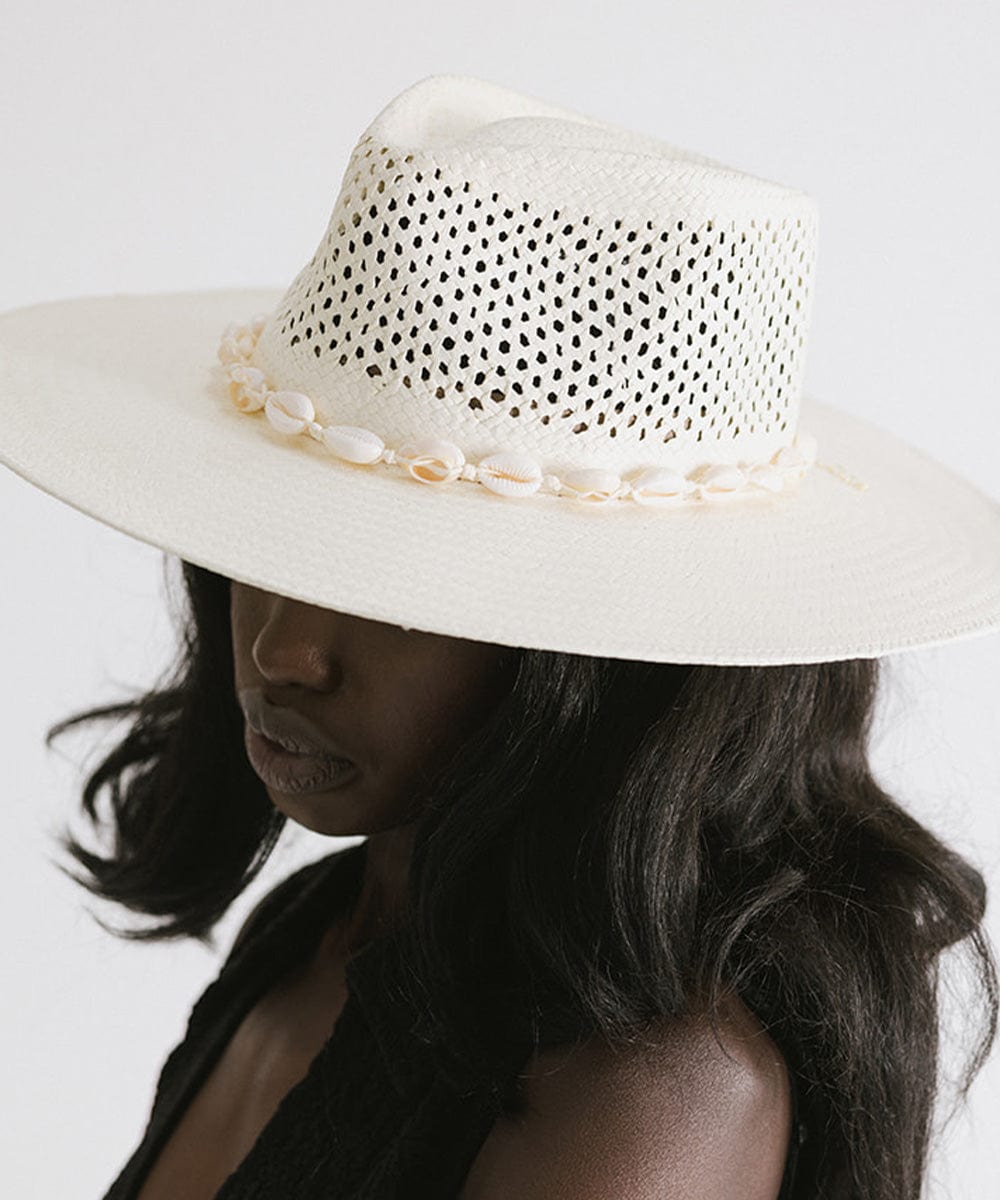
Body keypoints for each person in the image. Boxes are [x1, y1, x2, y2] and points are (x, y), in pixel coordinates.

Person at [2, 72, 999, 1199]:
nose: (283, 652)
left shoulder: (644, 1091)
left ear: (603, 661)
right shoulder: (318, 930)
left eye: (394, 592)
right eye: (271, 548)